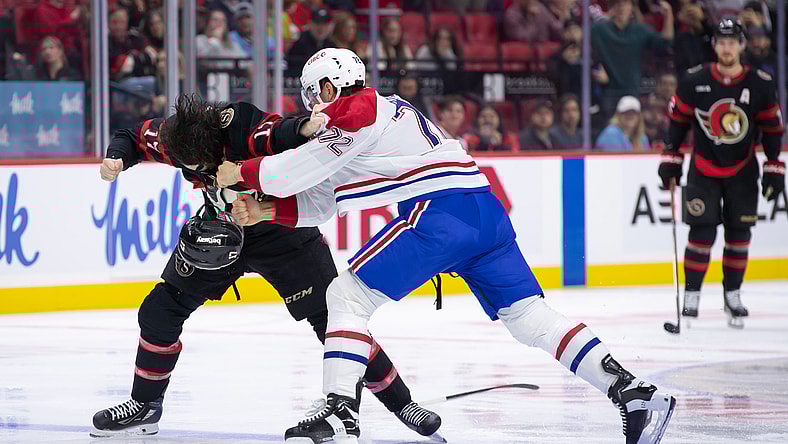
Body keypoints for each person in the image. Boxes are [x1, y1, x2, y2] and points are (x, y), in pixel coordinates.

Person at [216, 47, 677, 444]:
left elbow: (299, 167)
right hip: (484, 213)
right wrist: (268, 211)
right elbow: (326, 191)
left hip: (439, 213)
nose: (312, 109)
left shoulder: (357, 109)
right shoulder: (372, 122)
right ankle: (631, 391)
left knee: (345, 296)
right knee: (528, 318)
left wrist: (244, 173)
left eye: (315, 96)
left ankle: (340, 413)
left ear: (332, 88)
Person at [88, 94, 442, 438]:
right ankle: (144, 405)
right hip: (220, 229)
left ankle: (403, 405)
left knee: (334, 321)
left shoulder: (238, 124)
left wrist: (306, 127)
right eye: (194, 170)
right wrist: (116, 159)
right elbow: (131, 137)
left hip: (282, 228)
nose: (203, 173)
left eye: (207, 165)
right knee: (160, 311)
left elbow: (277, 132)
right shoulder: (173, 135)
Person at [659, 18, 784, 328]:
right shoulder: (694, 80)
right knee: (700, 232)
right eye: (722, 42)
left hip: (743, 171)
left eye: (732, 42)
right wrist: (671, 158)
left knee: (739, 235)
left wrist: (773, 165)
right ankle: (692, 296)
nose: (727, 48)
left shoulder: (761, 83)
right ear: (715, 46)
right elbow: (677, 123)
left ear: (741, 46)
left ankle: (733, 295)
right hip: (703, 168)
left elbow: (772, 128)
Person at [591, 0, 673, 122]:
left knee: (632, 132)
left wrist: (668, 15)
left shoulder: (640, 31)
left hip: (631, 91)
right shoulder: (601, 29)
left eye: (625, 4)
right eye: (618, 4)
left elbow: (665, 43)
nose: (621, 8)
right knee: (610, 131)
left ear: (632, 8)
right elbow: (585, 39)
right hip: (609, 92)